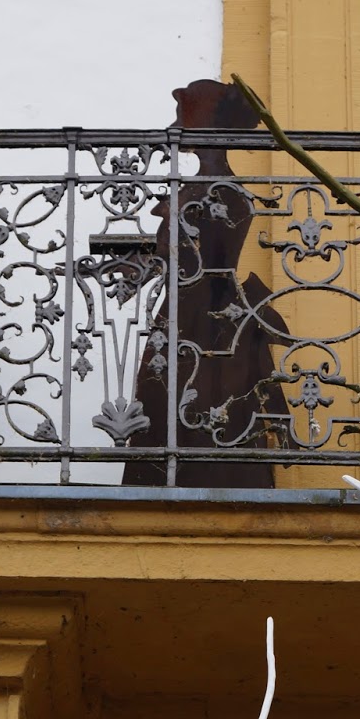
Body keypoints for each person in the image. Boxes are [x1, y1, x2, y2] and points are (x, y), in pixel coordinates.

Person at [121, 79, 292, 488]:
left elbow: (192, 257)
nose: (173, 128)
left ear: (205, 126)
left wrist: (142, 264)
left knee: (197, 399)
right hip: (198, 311)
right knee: (179, 402)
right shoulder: (208, 188)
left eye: (181, 118)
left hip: (203, 316)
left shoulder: (217, 191)